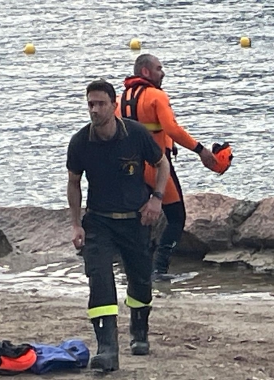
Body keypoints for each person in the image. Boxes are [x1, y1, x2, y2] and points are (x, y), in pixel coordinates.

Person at [67, 79, 170, 372]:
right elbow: (73, 182)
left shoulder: (135, 135)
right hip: (98, 222)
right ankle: (107, 349)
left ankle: (139, 332)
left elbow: (162, 165)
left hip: (135, 221)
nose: (95, 110)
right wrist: (76, 225)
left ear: (114, 106)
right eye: (90, 104)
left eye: (100, 104)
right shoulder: (80, 142)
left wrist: (157, 200)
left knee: (140, 281)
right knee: (99, 278)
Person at [115, 53, 218, 281]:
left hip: (130, 170)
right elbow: (171, 129)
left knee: (137, 218)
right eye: (159, 69)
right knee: (176, 217)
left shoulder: (120, 99)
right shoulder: (156, 96)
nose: (163, 73)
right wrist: (201, 150)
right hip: (157, 167)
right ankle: (159, 269)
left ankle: (133, 266)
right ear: (146, 72)